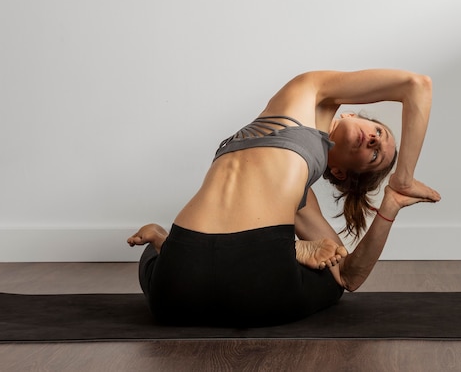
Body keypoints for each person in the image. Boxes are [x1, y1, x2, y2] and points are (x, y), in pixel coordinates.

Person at [127, 69, 440, 327]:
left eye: (374, 155)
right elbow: (416, 85)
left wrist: (392, 201)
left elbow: (349, 275)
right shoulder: (310, 90)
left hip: (178, 287)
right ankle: (288, 249)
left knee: (153, 263)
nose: (373, 140)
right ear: (353, 113)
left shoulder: (301, 201)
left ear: (342, 172)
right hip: (246, 282)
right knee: (324, 282)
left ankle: (166, 242)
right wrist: (405, 175)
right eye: (379, 132)